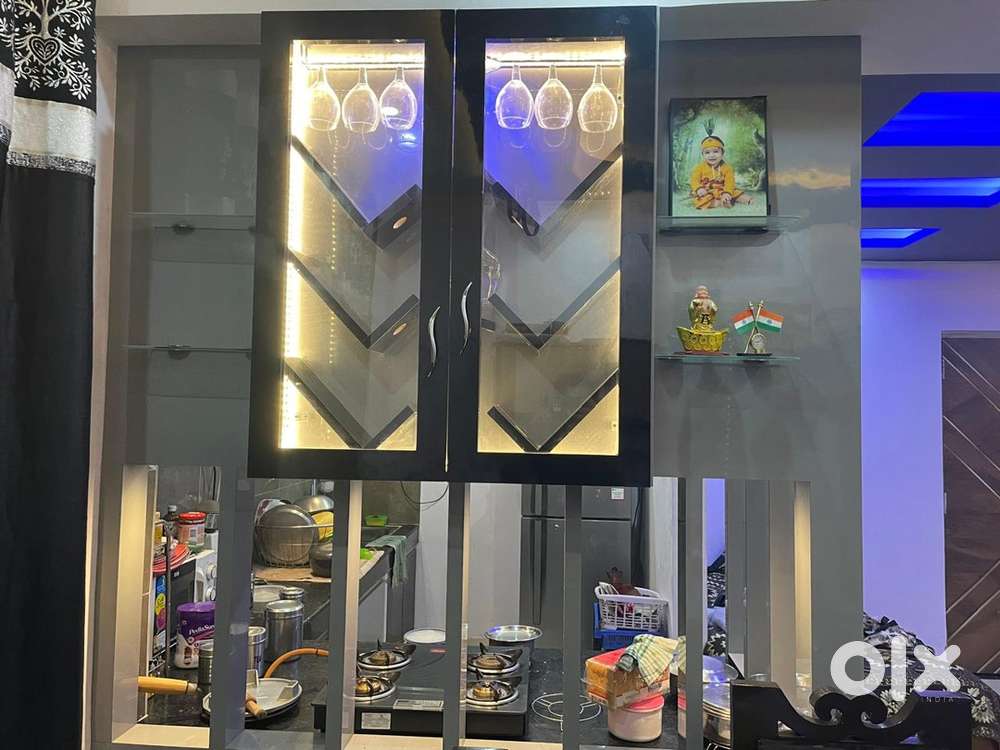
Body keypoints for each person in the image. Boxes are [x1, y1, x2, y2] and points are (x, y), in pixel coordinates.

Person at [689, 125, 753, 210]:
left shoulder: (727, 168)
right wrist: (699, 189)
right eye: (707, 153)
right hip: (707, 191)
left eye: (716, 151)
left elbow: (730, 182)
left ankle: (742, 200)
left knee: (736, 192)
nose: (712, 155)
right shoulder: (699, 167)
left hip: (723, 189)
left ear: (722, 153)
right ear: (703, 155)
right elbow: (694, 180)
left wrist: (727, 193)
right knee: (699, 199)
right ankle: (718, 203)